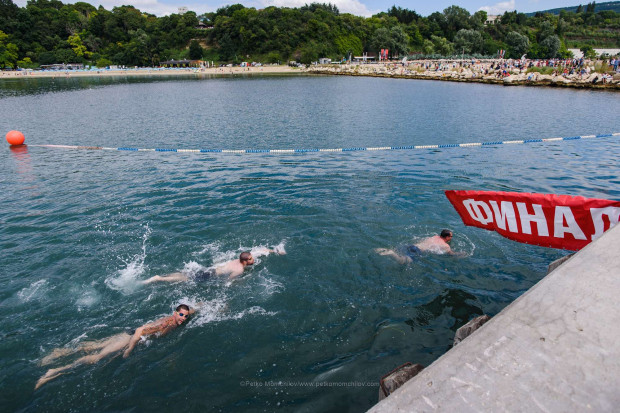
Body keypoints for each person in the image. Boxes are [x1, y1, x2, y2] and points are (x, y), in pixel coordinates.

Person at [36, 304, 195, 389]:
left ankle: (59, 353)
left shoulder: (178, 320)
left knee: (93, 346)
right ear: (175, 313)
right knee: (96, 357)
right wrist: (129, 349)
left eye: (185, 316)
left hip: (127, 333)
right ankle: (55, 370)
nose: (183, 318)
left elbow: (191, 310)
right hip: (129, 338)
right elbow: (140, 331)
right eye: (180, 315)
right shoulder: (166, 324)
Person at [143, 247, 285, 284]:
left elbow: (262, 250)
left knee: (185, 275)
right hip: (209, 275)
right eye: (251, 259)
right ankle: (159, 278)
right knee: (184, 279)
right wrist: (240, 282)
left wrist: (276, 251)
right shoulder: (240, 269)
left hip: (210, 269)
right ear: (245, 261)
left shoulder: (240, 260)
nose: (253, 259)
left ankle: (162, 277)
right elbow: (229, 281)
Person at [375, 229, 463, 264]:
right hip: (417, 251)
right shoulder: (446, 246)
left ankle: (384, 250)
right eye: (451, 236)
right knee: (402, 261)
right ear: (447, 237)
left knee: (399, 251)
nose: (451, 237)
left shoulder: (435, 236)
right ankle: (391, 253)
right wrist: (461, 254)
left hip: (412, 245)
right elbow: (451, 254)